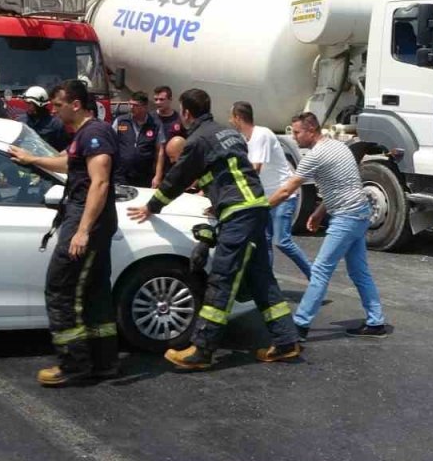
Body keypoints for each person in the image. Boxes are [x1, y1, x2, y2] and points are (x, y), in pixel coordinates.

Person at [128, 89, 301, 371]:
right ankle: (286, 341)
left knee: (222, 280)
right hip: (255, 208)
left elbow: (176, 178)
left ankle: (202, 349)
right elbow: (230, 173)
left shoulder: (197, 140)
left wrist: (152, 206)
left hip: (239, 214)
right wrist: (218, 202)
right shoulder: (227, 132)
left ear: (185, 112)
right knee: (260, 278)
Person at [9, 80, 121, 387]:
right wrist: (33, 159)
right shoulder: (83, 135)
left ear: (75, 104)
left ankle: (74, 364)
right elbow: (69, 164)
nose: (53, 111)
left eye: (57, 105)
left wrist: (82, 231)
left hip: (87, 222)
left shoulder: (96, 133)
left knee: (60, 290)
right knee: (94, 292)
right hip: (87, 219)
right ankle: (104, 362)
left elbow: (100, 183)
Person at [269, 112, 388, 340]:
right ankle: (376, 322)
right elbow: (341, 184)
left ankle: (300, 325)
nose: (294, 137)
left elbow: (287, 189)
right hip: (360, 213)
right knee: (359, 271)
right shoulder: (338, 147)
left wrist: (260, 207)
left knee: (321, 270)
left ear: (311, 130)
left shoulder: (315, 156)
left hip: (346, 218)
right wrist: (319, 211)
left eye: (297, 132)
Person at [231, 101, 312, 279]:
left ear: (238, 117)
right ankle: (268, 284)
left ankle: (315, 276)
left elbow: (255, 169)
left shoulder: (261, 134)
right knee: (265, 241)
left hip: (283, 195)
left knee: (282, 241)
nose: (231, 122)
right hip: (267, 197)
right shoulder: (247, 139)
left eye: (232, 118)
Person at [112, 92, 163, 187]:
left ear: (144, 107)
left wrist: (158, 176)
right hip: (121, 175)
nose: (131, 107)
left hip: (144, 176)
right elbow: (110, 144)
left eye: (135, 105)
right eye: (130, 104)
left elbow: (160, 152)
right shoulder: (121, 121)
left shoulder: (155, 125)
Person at [151, 85, 186, 187]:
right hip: (151, 168)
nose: (158, 102)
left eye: (161, 99)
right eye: (156, 99)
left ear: (170, 99)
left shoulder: (179, 120)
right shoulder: (150, 118)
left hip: (171, 168)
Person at [16, 85, 69, 151]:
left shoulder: (56, 124)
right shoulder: (20, 121)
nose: (27, 105)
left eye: (29, 103)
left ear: (38, 105)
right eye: (26, 103)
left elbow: (63, 150)